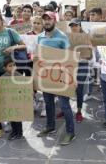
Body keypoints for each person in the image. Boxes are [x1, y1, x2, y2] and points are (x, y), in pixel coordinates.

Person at [36, 11, 75, 146]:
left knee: (64, 106)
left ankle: (70, 132)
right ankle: (50, 126)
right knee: (48, 103)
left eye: (49, 19)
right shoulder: (40, 37)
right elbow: (39, 55)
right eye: (45, 19)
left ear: (55, 21)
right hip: (46, 76)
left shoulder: (62, 37)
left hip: (60, 77)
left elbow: (69, 57)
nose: (47, 22)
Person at [68, 18, 92, 123]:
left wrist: (89, 50)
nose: (74, 28)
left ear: (80, 26)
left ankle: (78, 112)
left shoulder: (87, 37)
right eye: (72, 26)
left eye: (76, 25)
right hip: (69, 64)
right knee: (66, 87)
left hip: (82, 64)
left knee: (79, 88)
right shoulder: (66, 37)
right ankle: (66, 110)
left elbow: (90, 57)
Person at [2, 57, 23, 140]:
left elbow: (23, 87)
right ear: (5, 68)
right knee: (11, 117)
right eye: (10, 66)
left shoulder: (19, 75)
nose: (13, 67)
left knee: (18, 117)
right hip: (9, 101)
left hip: (17, 100)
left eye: (14, 65)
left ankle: (19, 132)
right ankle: (14, 131)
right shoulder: (3, 77)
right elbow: (1, 88)